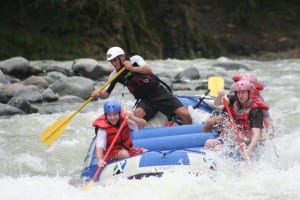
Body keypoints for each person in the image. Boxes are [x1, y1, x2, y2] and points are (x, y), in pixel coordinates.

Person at [91, 46, 192, 125]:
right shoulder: (115, 75)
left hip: (159, 93)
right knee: (138, 114)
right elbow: (106, 94)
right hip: (145, 100)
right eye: (111, 61)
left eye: (115, 60)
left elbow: (148, 69)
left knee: (185, 115)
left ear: (122, 57)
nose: (113, 63)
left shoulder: (135, 60)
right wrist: (98, 94)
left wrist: (132, 68)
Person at [204, 80, 264, 159]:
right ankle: (206, 164)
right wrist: (219, 96)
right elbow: (217, 103)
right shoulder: (234, 100)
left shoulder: (255, 110)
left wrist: (248, 151)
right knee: (208, 143)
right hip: (233, 139)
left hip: (247, 143)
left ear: (249, 93)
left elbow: (256, 134)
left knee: (217, 148)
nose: (240, 95)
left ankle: (219, 166)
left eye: (243, 92)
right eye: (238, 92)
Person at [93, 100, 147, 168]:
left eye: (115, 114)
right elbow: (99, 148)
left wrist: (133, 118)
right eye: (109, 115)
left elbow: (144, 124)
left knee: (146, 152)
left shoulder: (125, 119)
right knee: (124, 154)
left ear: (119, 113)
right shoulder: (102, 129)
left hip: (128, 149)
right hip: (110, 154)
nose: (112, 118)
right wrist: (100, 160)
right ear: (106, 116)